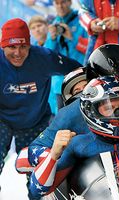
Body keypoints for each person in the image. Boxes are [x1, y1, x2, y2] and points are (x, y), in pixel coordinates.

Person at [0, 17, 82, 197]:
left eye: (23, 46)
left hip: (36, 121)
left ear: (30, 44)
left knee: (40, 173)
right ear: (2, 46)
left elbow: (79, 70)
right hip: (2, 120)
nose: (18, 53)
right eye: (12, 47)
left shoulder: (44, 57)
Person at [44, 0, 88, 115]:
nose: (60, 6)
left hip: (80, 80)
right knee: (64, 120)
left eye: (63, 2)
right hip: (60, 84)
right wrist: (52, 39)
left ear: (69, 2)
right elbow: (47, 56)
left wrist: (71, 38)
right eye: (56, 3)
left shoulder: (82, 20)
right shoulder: (55, 23)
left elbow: (89, 49)